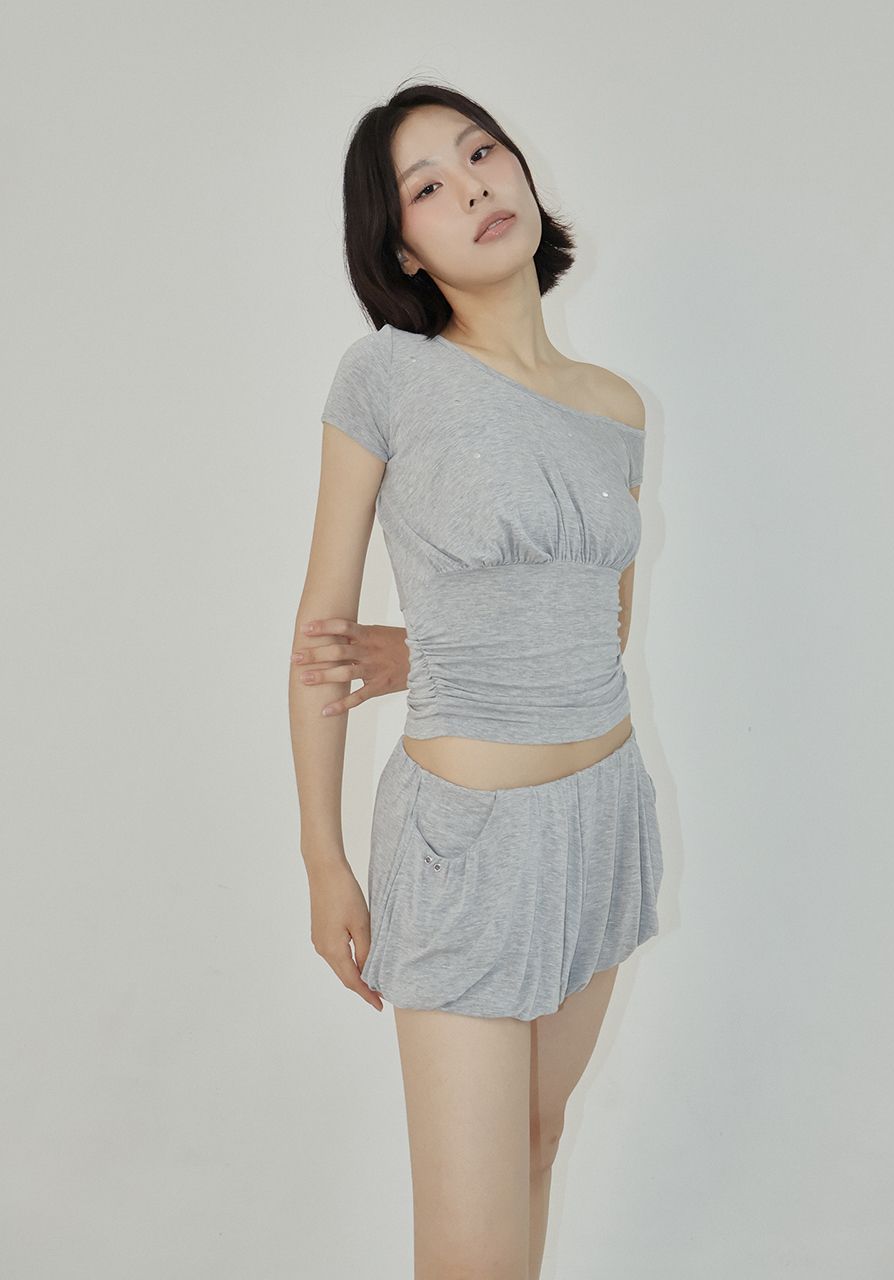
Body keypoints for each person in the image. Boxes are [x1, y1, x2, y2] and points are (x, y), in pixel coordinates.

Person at [288, 81, 664, 1280]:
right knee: (469, 1247)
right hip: (463, 849)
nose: (474, 187)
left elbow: (598, 622)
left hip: (603, 819)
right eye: (429, 186)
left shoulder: (616, 406)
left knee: (538, 1148)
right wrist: (323, 858)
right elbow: (321, 634)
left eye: (482, 151)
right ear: (404, 246)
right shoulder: (387, 374)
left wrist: (429, 649)